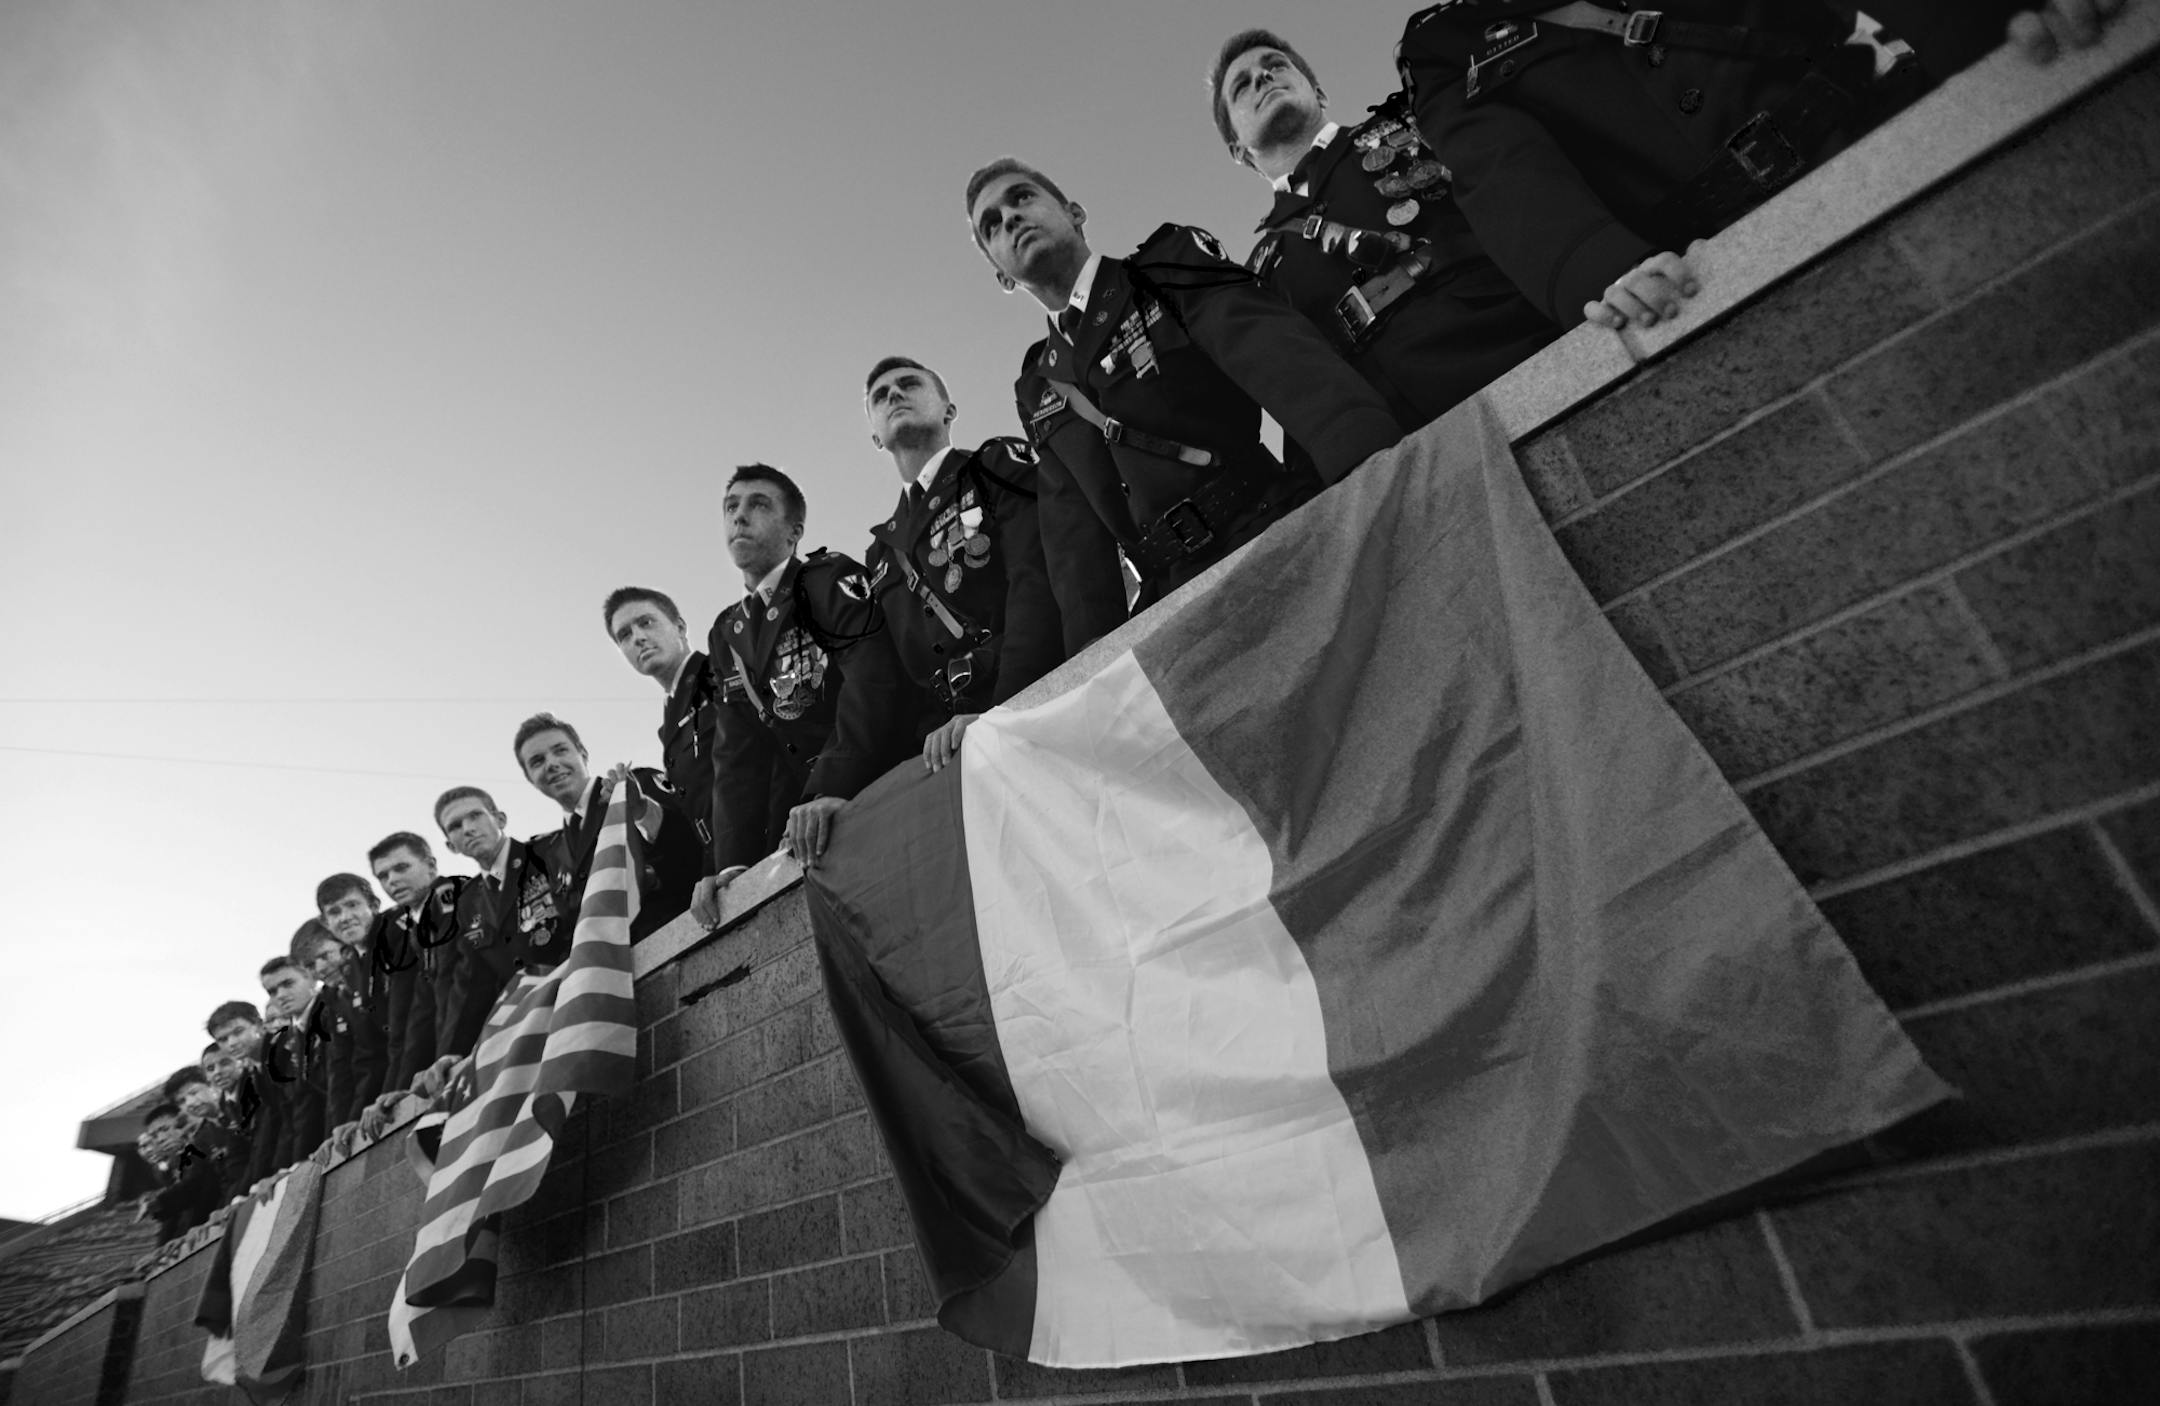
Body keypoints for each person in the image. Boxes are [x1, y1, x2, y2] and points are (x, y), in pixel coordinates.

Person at [964, 158, 1405, 620]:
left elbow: (1293, 370)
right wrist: (1090, 665)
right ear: (1003, 277)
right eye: (992, 225)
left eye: (1022, 197)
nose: (1010, 218)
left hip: (1272, 531)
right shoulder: (1038, 386)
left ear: (1075, 212)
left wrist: (1377, 476)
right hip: (1173, 608)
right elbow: (1075, 546)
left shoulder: (1165, 267)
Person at [1394, 1, 1953, 330]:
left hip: (1899, 128)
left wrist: (1986, 29)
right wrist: (1601, 269)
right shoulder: (1444, 45)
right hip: (1741, 249)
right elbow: (1502, 170)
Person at [1212, 30, 1560, 427]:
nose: (1262, 78)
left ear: (1320, 94)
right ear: (1238, 150)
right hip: (1400, 438)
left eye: (1275, 65)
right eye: (1242, 86)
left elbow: (1521, 203)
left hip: (1519, 351)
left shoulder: (1414, 123)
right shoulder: (1255, 273)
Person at [691, 464, 916, 903]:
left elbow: (872, 681)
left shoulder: (827, 579)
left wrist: (831, 787)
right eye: (730, 507)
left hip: (874, 781)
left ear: (795, 531)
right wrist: (733, 865)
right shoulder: (726, 632)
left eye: (758, 504)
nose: (739, 516)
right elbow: (736, 755)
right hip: (801, 817)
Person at [860, 355, 1067, 774]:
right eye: (881, 396)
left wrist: (1007, 706)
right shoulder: (881, 553)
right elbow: (897, 679)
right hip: (947, 749)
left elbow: (1038, 581)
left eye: (909, 385)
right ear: (876, 438)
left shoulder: (996, 466)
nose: (894, 394)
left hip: (1033, 701)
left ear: (949, 410)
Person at [514, 712, 704, 952]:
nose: (551, 764)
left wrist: (641, 809)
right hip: (612, 976)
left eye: (560, 750)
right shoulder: (553, 853)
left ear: (583, 753)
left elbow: (693, 852)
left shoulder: (637, 786)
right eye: (537, 761)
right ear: (530, 778)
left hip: (678, 945)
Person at [603, 587, 723, 871]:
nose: (638, 638)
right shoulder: (669, 722)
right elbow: (699, 821)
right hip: (726, 867)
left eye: (645, 623)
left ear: (680, 627)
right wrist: (642, 809)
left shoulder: (722, 673)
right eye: (625, 635)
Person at [361, 832, 466, 1133]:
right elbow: (420, 1016)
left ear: (431, 866)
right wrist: (399, 1089)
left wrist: (449, 1054)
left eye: (402, 868)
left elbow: (461, 985)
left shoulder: (452, 897)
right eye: (383, 875)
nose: (392, 880)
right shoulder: (416, 926)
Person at [434, 784, 549, 1054]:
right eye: (455, 826)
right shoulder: (467, 902)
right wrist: (451, 1053)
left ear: (500, 819)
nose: (468, 829)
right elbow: (472, 985)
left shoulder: (547, 854)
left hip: (574, 994)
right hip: (526, 1022)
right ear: (451, 846)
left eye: (475, 816)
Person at [313, 872, 389, 1128]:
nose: (344, 918)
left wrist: (397, 1088)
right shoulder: (357, 967)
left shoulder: (399, 940)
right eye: (334, 912)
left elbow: (415, 1020)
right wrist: (346, 1123)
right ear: (326, 922)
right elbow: (362, 1060)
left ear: (374, 905)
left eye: (352, 905)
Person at [257, 956, 328, 1171]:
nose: (281, 995)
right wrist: (293, 1165)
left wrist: (340, 1128)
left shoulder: (332, 1010)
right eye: (272, 991)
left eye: (288, 984)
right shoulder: (296, 1037)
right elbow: (300, 1110)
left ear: (310, 977)